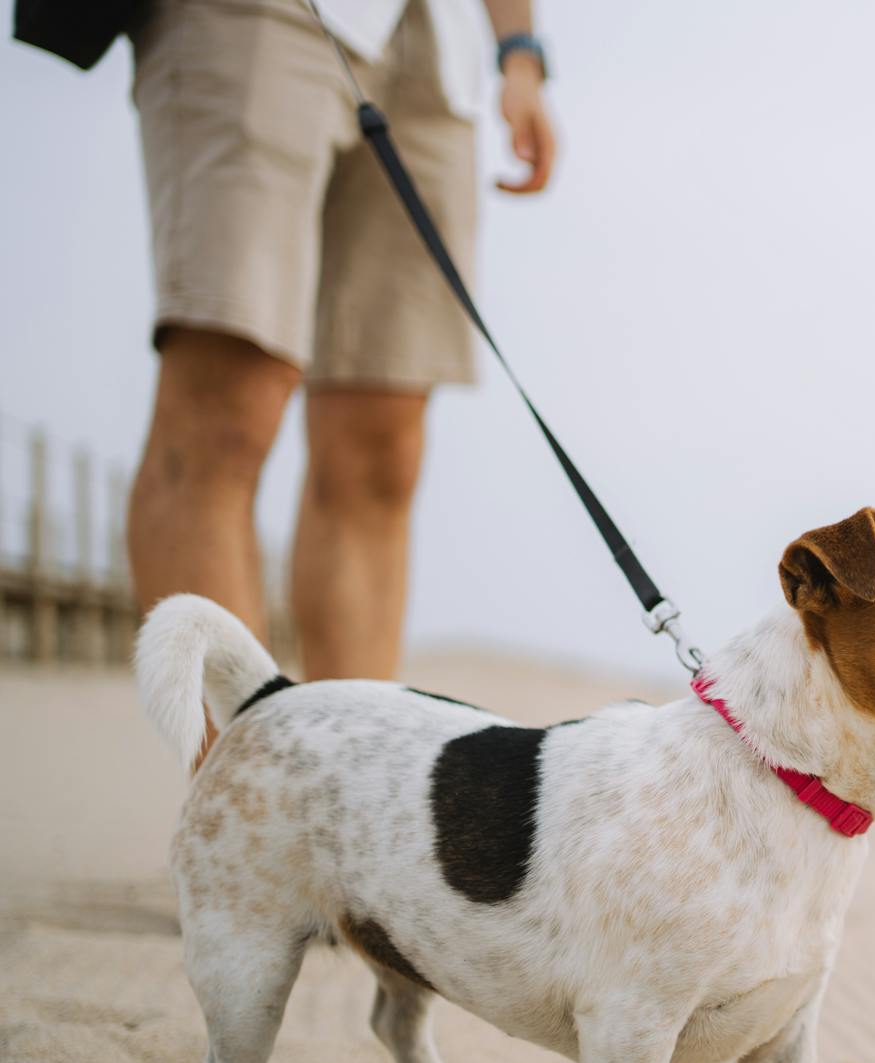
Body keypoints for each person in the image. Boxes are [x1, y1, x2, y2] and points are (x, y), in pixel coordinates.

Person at [125, 0, 556, 684]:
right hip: (256, 18)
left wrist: (520, 52)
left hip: (436, 46)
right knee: (227, 411)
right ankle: (242, 782)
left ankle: (352, 783)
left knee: (383, 447)